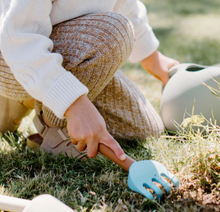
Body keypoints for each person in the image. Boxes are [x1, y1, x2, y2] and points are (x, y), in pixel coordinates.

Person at [0, 0, 179, 160]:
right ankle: (53, 129)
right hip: (12, 54)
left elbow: (124, 3)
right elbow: (16, 37)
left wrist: (151, 57)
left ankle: (31, 96)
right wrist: (73, 104)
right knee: (114, 30)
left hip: (70, 53)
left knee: (144, 128)